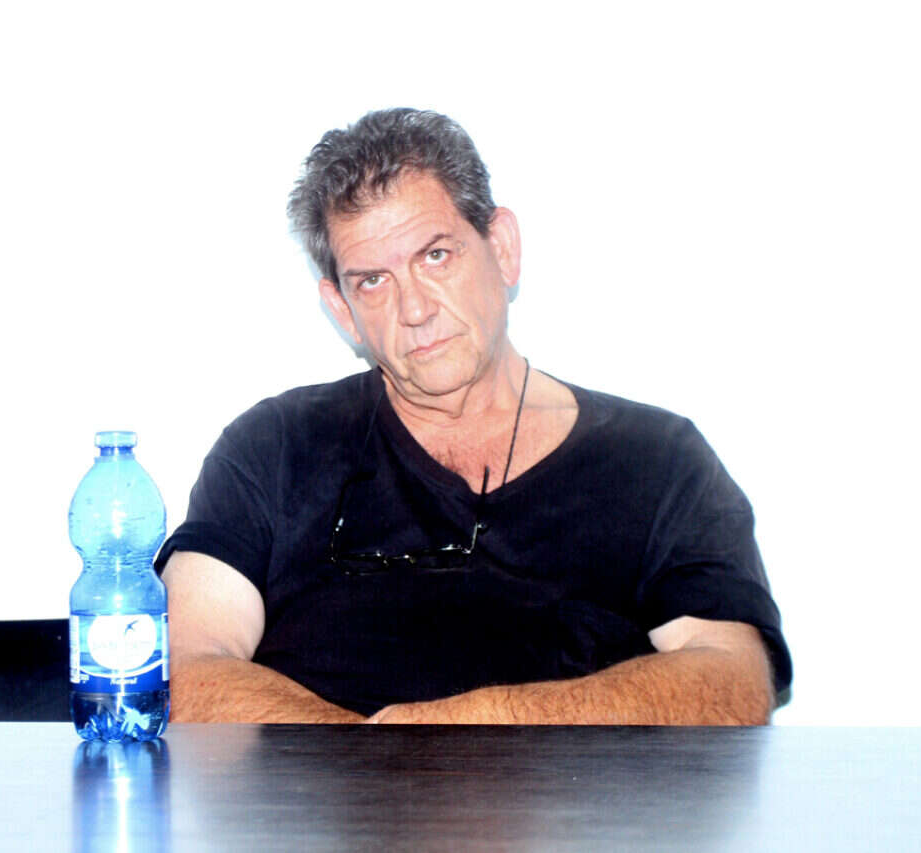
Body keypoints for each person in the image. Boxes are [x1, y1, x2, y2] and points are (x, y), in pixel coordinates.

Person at [155, 108, 791, 724]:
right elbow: (179, 667)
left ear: (502, 248)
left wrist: (473, 728)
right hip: (322, 797)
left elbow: (731, 681)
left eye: (436, 256)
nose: (415, 310)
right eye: (373, 280)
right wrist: (372, 764)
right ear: (342, 309)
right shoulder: (274, 447)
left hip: (570, 800)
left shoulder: (656, 457)